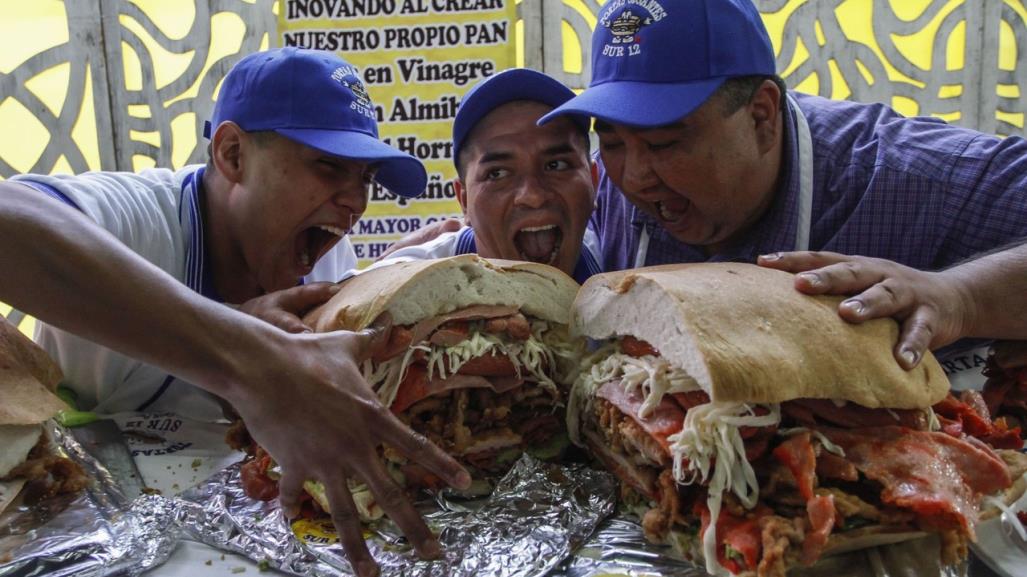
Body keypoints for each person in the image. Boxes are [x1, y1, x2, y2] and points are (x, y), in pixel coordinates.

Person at [0, 46, 469, 576]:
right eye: (329, 166)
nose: (355, 201)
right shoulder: (135, 219)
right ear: (231, 154)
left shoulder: (324, 251)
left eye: (364, 178)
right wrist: (250, 356)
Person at [539, 0, 1027, 386]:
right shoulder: (604, 181)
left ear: (761, 115)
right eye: (613, 141)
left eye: (665, 142)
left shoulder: (908, 174)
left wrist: (961, 297)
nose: (635, 176)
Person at [374, 68, 602, 283]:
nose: (532, 196)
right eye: (497, 173)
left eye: (556, 165)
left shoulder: (620, 270)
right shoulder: (405, 285)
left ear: (593, 181)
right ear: (464, 201)